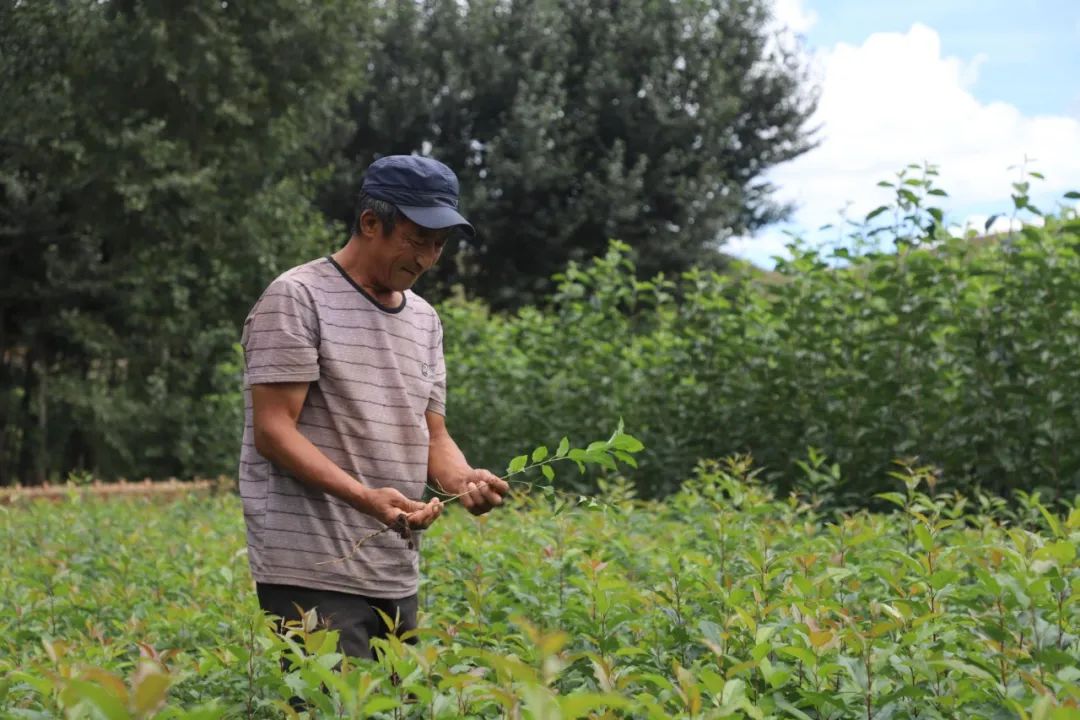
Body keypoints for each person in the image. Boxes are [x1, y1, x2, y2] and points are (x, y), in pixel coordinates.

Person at [236, 155, 510, 674]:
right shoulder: (297, 298)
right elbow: (273, 431)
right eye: (417, 238)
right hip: (311, 566)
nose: (428, 257)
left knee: (397, 707)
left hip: (392, 567)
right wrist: (366, 499)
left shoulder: (425, 320)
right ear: (370, 223)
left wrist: (464, 479)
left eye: (439, 243)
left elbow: (432, 432)